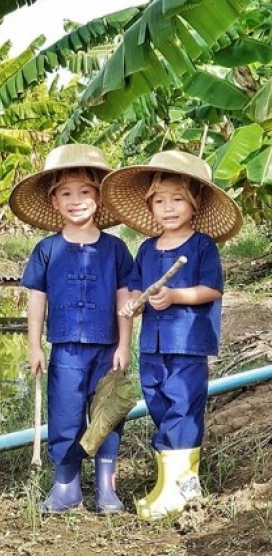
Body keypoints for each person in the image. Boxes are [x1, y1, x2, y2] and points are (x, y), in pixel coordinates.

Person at [101, 150, 243, 519]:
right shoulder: (147, 248)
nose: (168, 208)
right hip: (153, 346)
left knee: (183, 407)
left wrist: (176, 296)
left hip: (188, 345)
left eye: (177, 200)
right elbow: (135, 289)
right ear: (149, 207)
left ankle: (183, 489)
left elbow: (211, 289)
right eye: (160, 201)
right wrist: (133, 304)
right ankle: (169, 484)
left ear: (194, 206)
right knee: (159, 405)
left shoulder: (201, 246)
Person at [10, 144, 134, 514]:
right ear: (54, 202)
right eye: (66, 193)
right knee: (64, 416)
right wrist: (34, 347)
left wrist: (125, 345)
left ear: (98, 198)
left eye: (84, 192)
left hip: (106, 348)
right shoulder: (46, 250)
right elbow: (36, 301)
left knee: (107, 414)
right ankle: (66, 487)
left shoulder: (115, 249)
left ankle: (106, 489)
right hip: (64, 351)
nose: (76, 200)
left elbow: (124, 302)